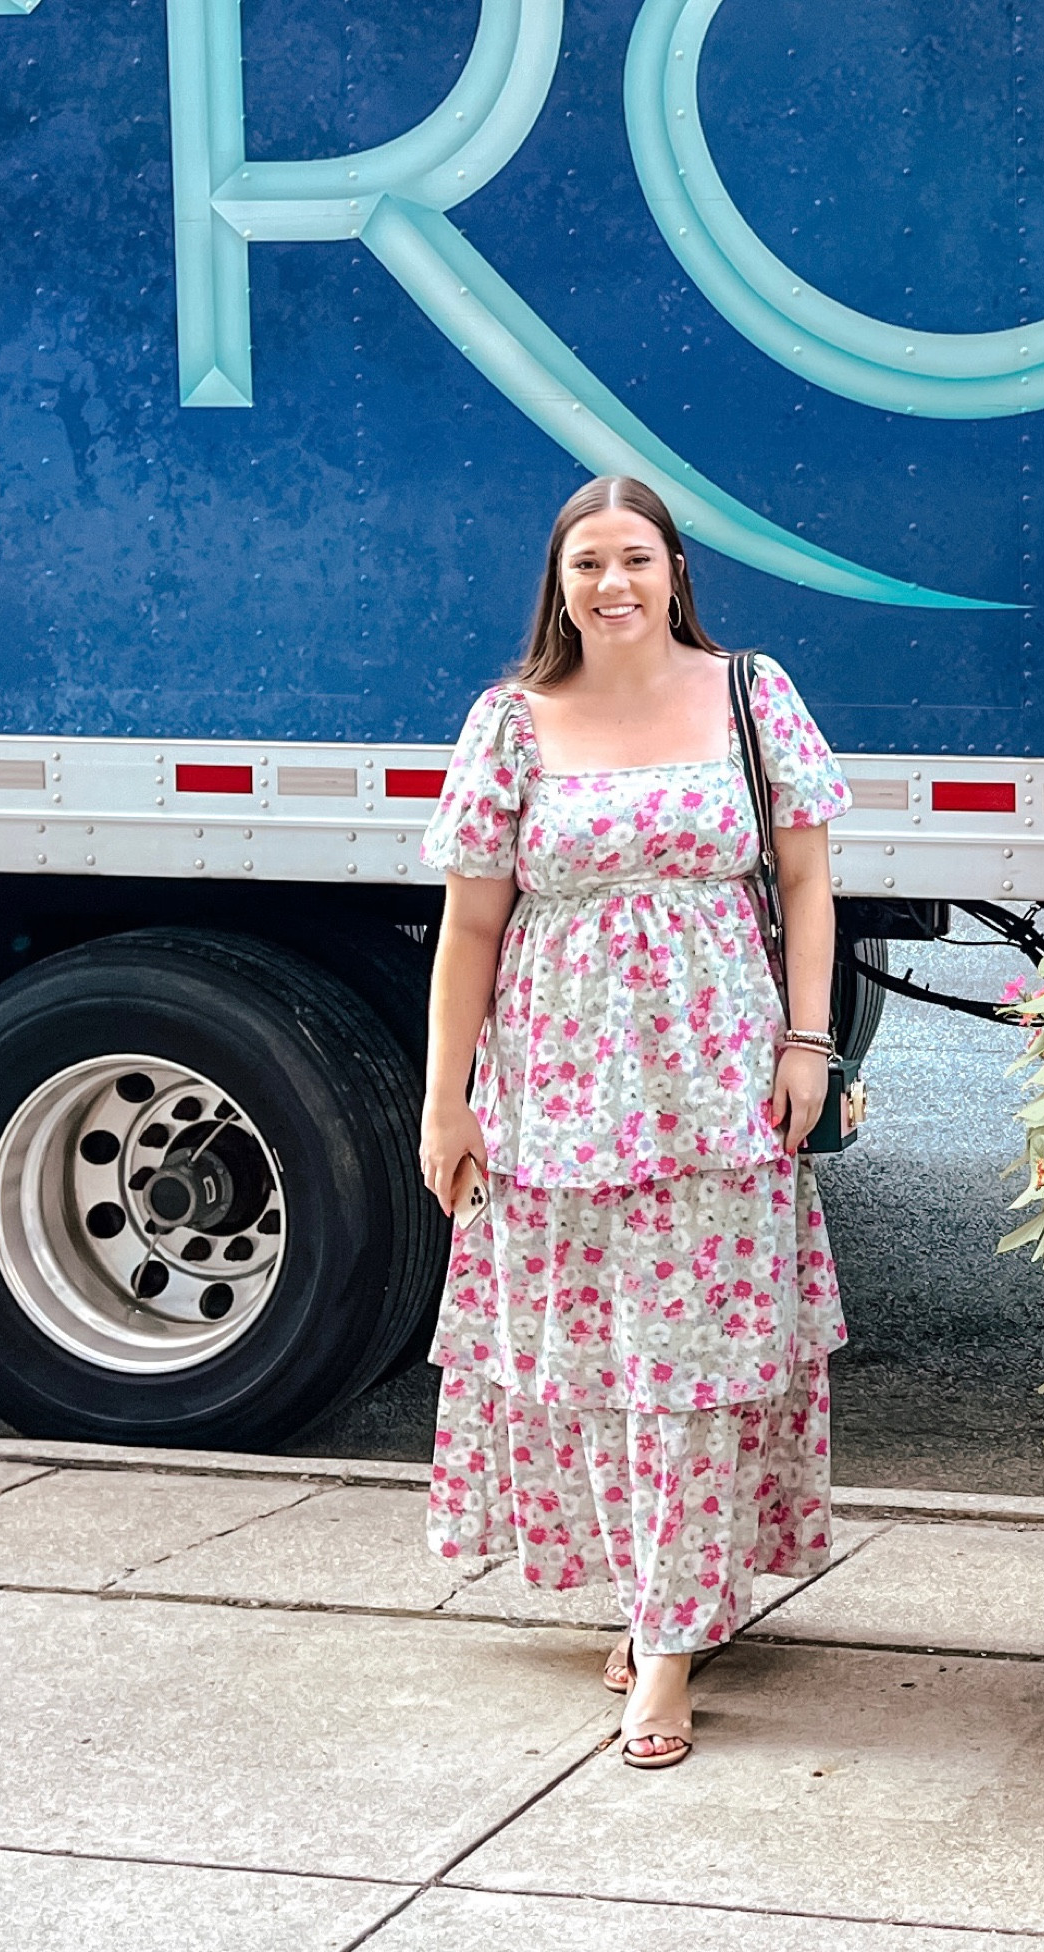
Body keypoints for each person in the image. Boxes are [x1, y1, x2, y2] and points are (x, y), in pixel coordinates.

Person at [417, 473, 849, 1769]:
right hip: (554, 1098)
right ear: (560, 584)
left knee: (696, 1367)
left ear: (675, 572)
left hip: (717, 1091)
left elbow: (812, 884)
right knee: (600, 1369)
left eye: (635, 560)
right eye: (587, 564)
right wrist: (447, 1105)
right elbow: (471, 929)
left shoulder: (749, 695)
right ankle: (664, 1595)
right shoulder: (510, 723)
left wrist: (807, 1043)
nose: (613, 584)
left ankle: (667, 1650)